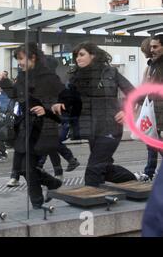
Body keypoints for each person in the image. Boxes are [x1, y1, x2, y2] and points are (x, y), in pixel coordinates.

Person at [53, 42, 137, 187]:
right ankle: (135, 181)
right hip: (91, 129)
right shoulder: (74, 76)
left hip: (110, 127)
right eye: (76, 56)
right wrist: (60, 103)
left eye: (81, 54)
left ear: (93, 55)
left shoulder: (110, 72)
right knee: (106, 169)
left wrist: (126, 110)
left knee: (93, 172)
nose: (78, 58)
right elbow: (68, 98)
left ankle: (96, 203)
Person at [0, 43, 63, 207]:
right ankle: (51, 185)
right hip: (26, 125)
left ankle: (38, 201)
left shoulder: (49, 76)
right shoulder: (22, 75)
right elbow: (18, 97)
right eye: (18, 59)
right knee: (24, 168)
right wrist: (4, 83)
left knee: (26, 167)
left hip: (43, 127)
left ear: (32, 57)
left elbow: (62, 99)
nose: (19, 62)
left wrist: (46, 108)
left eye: (21, 58)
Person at [138, 35, 163, 181]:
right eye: (151, 47)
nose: (151, 50)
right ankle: (149, 171)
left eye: (155, 47)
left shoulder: (155, 66)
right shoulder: (152, 65)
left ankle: (149, 171)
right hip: (154, 108)